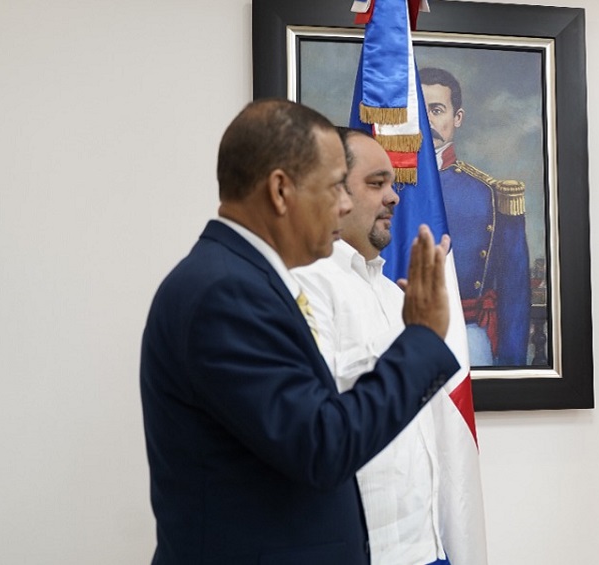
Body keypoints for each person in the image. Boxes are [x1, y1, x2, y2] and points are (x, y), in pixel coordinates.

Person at [140, 99, 459, 565]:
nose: (347, 204)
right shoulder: (227, 293)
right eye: (335, 187)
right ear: (280, 191)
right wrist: (423, 341)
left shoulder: (247, 281)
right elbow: (322, 445)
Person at [292, 128, 449, 565]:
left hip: (422, 544)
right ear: (334, 192)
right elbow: (318, 406)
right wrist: (413, 336)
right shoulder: (304, 282)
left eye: (393, 184)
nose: (394, 198)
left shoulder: (395, 294)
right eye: (377, 183)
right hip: (363, 552)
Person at [421, 66, 532, 366]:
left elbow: (514, 291)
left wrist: (512, 365)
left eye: (437, 109)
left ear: (457, 118)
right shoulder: (383, 186)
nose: (427, 119)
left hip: (468, 338)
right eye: (420, 109)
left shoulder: (490, 193)